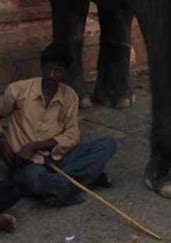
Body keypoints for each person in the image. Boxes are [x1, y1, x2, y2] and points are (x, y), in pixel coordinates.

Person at [0, 43, 116, 206]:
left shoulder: (70, 96)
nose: (51, 75)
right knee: (33, 180)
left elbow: (72, 136)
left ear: (65, 73)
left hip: (59, 158)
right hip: (28, 165)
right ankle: (85, 178)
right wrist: (2, 140)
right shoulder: (17, 90)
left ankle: (58, 189)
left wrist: (34, 145)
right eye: (48, 69)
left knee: (108, 144)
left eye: (58, 71)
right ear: (41, 68)